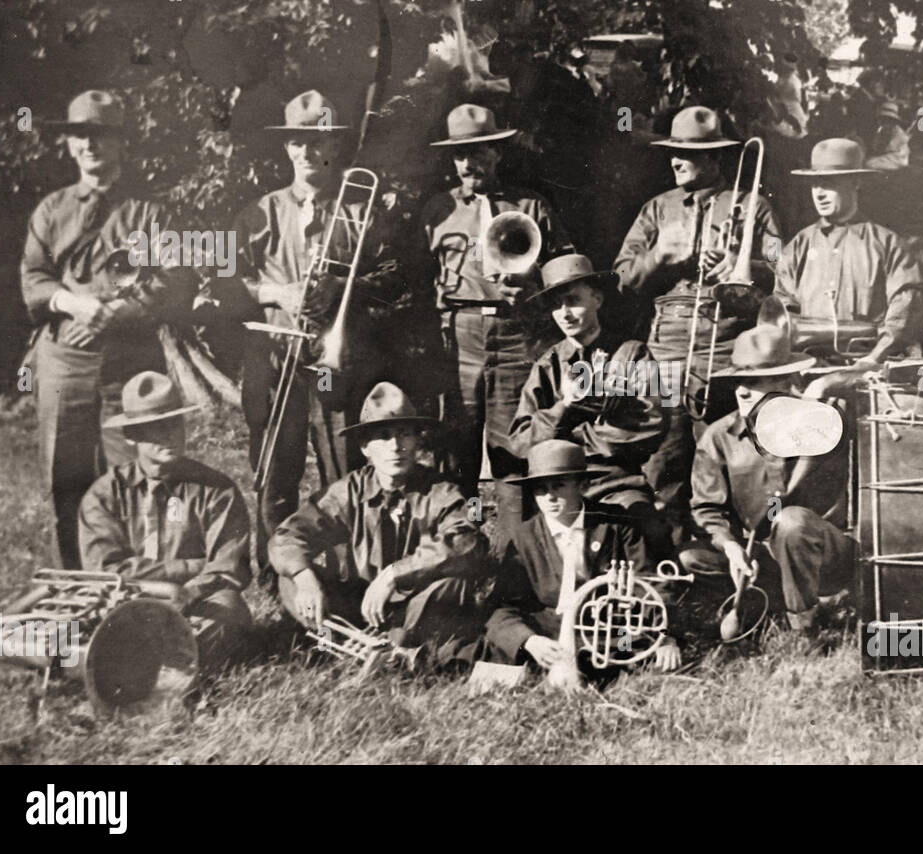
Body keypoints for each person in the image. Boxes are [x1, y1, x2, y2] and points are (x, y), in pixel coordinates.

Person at [232, 90, 420, 579]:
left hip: (339, 362)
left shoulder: (360, 211)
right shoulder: (259, 213)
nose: (309, 152)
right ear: (286, 148)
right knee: (276, 472)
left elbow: (395, 277)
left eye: (320, 141)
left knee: (343, 472)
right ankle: (278, 577)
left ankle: (349, 576)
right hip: (276, 363)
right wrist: (278, 294)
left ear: (334, 147)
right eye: (298, 142)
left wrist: (344, 287)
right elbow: (229, 283)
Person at [21, 89, 196, 569]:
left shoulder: (150, 213)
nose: (90, 145)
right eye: (81, 135)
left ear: (121, 143)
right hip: (65, 364)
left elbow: (176, 280)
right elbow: (34, 278)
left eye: (102, 135)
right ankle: (74, 585)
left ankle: (139, 587)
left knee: (136, 474)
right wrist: (74, 303)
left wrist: (114, 309)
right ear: (69, 144)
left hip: (129, 363)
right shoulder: (52, 210)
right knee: (65, 478)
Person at [613, 105, 781, 541]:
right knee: (662, 461)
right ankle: (664, 563)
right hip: (667, 345)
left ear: (714, 159)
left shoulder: (751, 206)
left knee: (726, 461)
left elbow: (785, 272)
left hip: (727, 345)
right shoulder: (658, 208)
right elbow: (621, 279)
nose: (674, 160)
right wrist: (660, 257)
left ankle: (723, 561)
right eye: (672, 152)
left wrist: (743, 265)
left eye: (687, 153)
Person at [417, 103, 575, 546]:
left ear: (498, 154)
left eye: (481, 151)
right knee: (458, 451)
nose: (470, 163)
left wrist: (533, 285)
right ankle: (464, 545)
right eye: (461, 154)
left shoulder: (531, 205)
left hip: (515, 335)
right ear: (452, 159)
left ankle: (513, 553)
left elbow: (567, 269)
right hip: (460, 337)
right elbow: (415, 276)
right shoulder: (436, 210)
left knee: (512, 450)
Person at [268, 383, 490, 662]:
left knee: (454, 583)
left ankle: (395, 647)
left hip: (412, 606)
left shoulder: (440, 490)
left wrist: (395, 574)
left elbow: (468, 540)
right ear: (365, 447)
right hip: (357, 602)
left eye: (404, 434)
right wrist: (305, 578)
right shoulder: (347, 490)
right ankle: (344, 641)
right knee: (291, 576)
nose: (395, 447)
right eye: (383, 437)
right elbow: (287, 535)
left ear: (417, 442)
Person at [78, 372, 253, 668]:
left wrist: (191, 591)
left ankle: (130, 660)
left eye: (175, 422)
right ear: (131, 436)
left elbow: (228, 568)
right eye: (156, 426)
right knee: (75, 617)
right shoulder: (104, 494)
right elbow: (106, 569)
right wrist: (190, 568)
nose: (170, 433)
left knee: (229, 609)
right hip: (125, 600)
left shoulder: (217, 490)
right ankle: (163, 659)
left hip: (195, 601)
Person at [684, 325, 851, 632]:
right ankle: (768, 601)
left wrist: (823, 390)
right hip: (759, 555)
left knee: (790, 523)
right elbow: (707, 509)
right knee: (691, 558)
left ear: (785, 383)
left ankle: (804, 627)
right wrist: (731, 548)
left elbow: (868, 378)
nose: (742, 391)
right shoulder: (718, 437)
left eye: (754, 382)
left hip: (822, 554)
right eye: (739, 382)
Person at [509, 254, 671, 558]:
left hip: (615, 484)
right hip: (559, 489)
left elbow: (653, 423)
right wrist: (563, 407)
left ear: (597, 298)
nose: (564, 313)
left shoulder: (632, 354)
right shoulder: (548, 365)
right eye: (556, 305)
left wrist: (570, 444)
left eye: (573, 300)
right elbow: (520, 442)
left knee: (646, 530)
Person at [486, 440, 682, 673]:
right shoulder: (522, 537)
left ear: (583, 485)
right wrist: (530, 641)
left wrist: (664, 636)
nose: (549, 497)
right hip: (549, 631)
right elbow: (503, 605)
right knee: (496, 649)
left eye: (558, 486)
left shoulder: (616, 524)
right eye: (540, 489)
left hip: (610, 629)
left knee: (644, 655)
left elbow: (648, 583)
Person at [776, 138, 923, 368]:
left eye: (829, 183)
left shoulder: (888, 244)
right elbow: (782, 309)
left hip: (868, 368)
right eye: (815, 184)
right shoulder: (799, 245)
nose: (819, 193)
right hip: (808, 367)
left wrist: (874, 357)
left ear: (856, 182)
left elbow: (905, 311)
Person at [865, 101, 910, 171]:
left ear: (893, 121)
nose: (885, 123)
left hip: (898, 159)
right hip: (886, 158)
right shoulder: (881, 131)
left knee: (869, 163)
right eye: (883, 120)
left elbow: (892, 151)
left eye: (888, 120)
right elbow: (876, 148)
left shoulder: (898, 133)